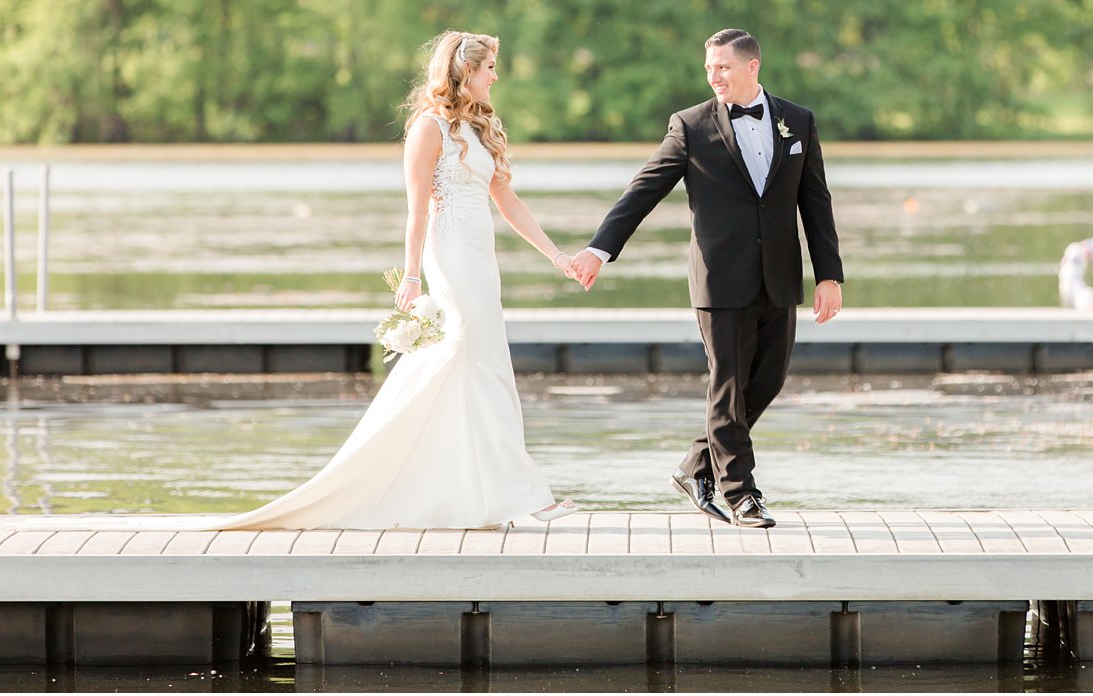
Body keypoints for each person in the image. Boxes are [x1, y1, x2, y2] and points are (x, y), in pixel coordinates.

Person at [218, 30, 579, 529]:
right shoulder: (428, 128)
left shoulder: (479, 128)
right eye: (489, 67)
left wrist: (557, 256)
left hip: (482, 259)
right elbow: (417, 209)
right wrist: (411, 275)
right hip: (451, 257)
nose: (496, 76)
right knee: (486, 363)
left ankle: (475, 493)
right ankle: (525, 493)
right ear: (464, 72)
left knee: (476, 364)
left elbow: (509, 202)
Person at [570, 29, 843, 529]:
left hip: (779, 276)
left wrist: (830, 275)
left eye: (723, 67)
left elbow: (815, 201)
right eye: (709, 68)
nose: (714, 76)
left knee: (767, 381)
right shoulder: (691, 125)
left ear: (752, 66)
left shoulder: (797, 120)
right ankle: (742, 495)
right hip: (720, 279)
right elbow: (645, 188)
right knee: (728, 384)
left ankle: (695, 465)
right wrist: (599, 248)